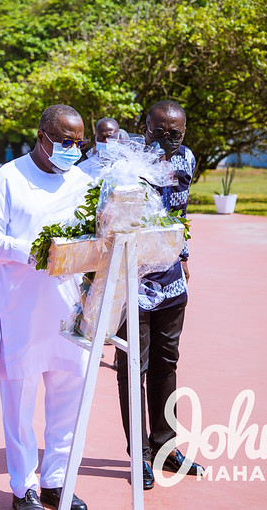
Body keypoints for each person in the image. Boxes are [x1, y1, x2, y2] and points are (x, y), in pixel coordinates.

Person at [0, 105, 91, 510]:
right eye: (66, 142)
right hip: (21, 312)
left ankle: (58, 481)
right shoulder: (7, 179)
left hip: (71, 313)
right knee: (20, 407)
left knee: (68, 402)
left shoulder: (84, 181)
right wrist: (34, 251)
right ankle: (25, 488)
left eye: (79, 142)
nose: (73, 150)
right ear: (42, 137)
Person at [114, 100, 203, 490]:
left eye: (175, 133)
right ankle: (141, 454)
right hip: (131, 280)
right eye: (158, 130)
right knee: (134, 365)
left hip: (170, 280)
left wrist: (183, 254)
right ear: (143, 126)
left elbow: (179, 212)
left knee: (168, 363)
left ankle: (166, 447)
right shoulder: (124, 163)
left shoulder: (187, 160)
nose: (167, 139)